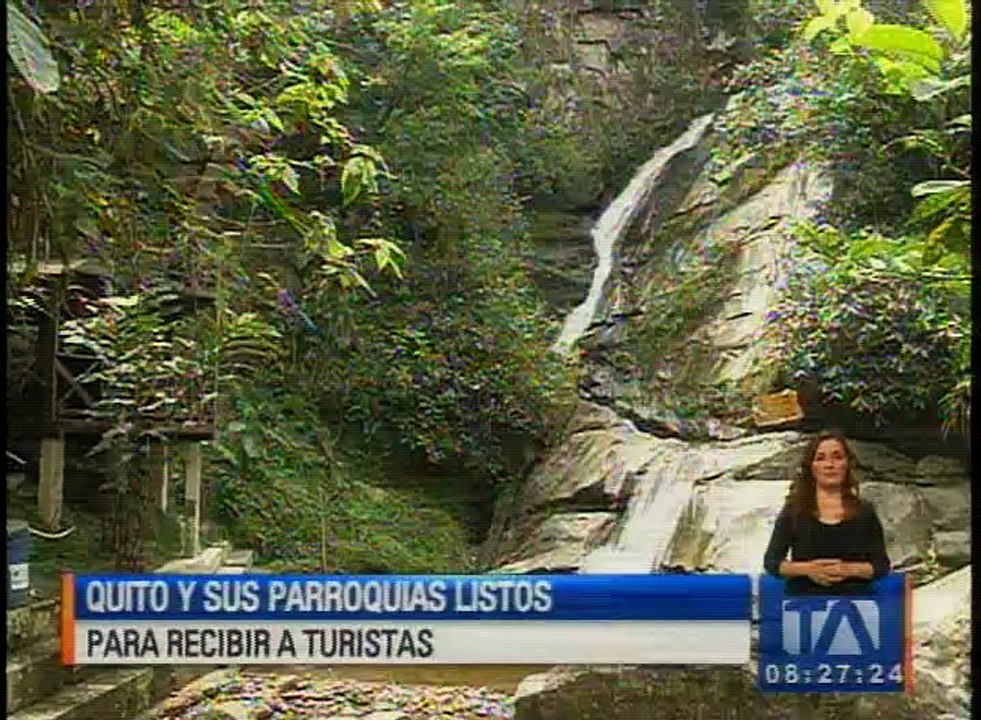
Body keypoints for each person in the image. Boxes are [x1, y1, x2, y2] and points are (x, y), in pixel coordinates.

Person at [763, 429, 891, 595]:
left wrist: (847, 570)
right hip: (804, 606)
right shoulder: (794, 510)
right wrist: (808, 569)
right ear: (811, 467)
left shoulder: (864, 512)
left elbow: (881, 566)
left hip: (856, 606)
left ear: (847, 464)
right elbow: (772, 562)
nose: (830, 465)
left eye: (837, 457)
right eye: (820, 458)